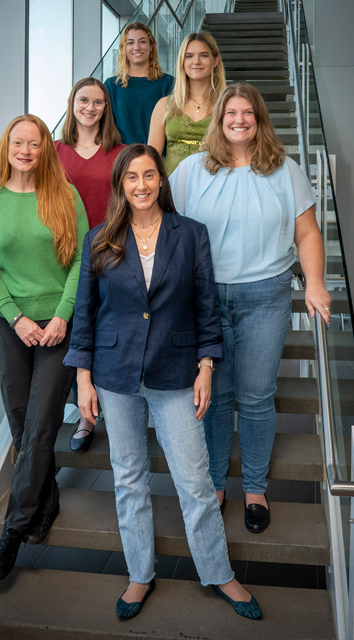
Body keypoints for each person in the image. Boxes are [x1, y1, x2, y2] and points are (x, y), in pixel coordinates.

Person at [64, 144, 262, 621]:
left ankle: (218, 572)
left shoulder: (191, 234)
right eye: (131, 177)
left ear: (161, 180)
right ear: (120, 184)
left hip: (175, 372)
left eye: (149, 175)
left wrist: (206, 366)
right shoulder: (99, 239)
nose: (141, 185)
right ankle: (139, 573)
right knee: (129, 478)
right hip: (114, 374)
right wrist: (83, 379)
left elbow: (205, 307)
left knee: (194, 481)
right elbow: (86, 317)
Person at [170, 84, 332, 533]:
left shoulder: (286, 171)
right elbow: (165, 231)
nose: (239, 120)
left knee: (257, 396)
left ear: (259, 120)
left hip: (267, 295)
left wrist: (315, 283)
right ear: (218, 120)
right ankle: (217, 482)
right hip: (205, 300)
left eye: (248, 113)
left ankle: (256, 488)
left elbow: (308, 234)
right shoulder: (189, 172)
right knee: (216, 397)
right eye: (231, 113)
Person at [0, 114, 89, 579]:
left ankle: (12, 534)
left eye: (34, 143)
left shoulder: (64, 194)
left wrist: (62, 314)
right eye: (17, 142)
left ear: (44, 149)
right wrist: (16, 317)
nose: (25, 150)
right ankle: (48, 501)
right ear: (7, 148)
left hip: (59, 323)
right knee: (23, 425)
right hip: (12, 325)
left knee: (41, 424)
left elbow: (83, 258)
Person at [55, 77, 125, 451]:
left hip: (112, 252)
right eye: (83, 100)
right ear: (73, 103)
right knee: (78, 331)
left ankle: (117, 413)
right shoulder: (53, 151)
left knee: (107, 332)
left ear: (106, 108)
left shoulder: (121, 151)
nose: (90, 108)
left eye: (98, 102)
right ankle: (85, 415)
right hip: (66, 256)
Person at [148, 32, 225, 176]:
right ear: (182, 62)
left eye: (204, 55)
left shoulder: (227, 105)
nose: (196, 61)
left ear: (215, 61)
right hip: (172, 189)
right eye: (189, 56)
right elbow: (152, 158)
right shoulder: (164, 104)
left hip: (216, 185)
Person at [104, 22, 174, 145]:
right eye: (130, 43)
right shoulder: (111, 86)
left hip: (159, 158)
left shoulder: (169, 83)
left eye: (142, 41)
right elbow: (105, 128)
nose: (137, 47)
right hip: (122, 158)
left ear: (151, 46)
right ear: (124, 48)